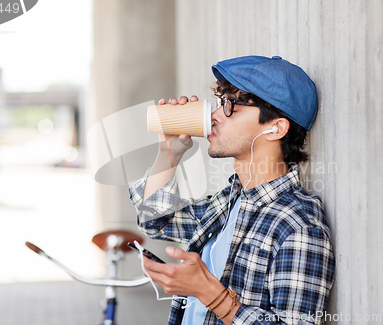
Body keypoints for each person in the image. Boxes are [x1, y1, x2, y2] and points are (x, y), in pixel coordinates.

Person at [129, 55, 335, 325]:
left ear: (275, 128)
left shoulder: (298, 225)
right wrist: (168, 153)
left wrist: (211, 294)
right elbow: (155, 219)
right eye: (219, 103)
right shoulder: (231, 201)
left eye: (230, 106)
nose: (214, 116)